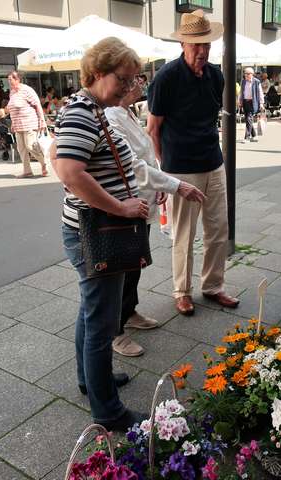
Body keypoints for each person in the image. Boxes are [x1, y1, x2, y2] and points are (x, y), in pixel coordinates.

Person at [52, 37, 150, 431]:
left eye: (132, 81)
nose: (129, 89)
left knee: (91, 312)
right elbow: (70, 174)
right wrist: (122, 206)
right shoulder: (81, 112)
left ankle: (90, 380)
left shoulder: (94, 109)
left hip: (95, 230)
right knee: (101, 323)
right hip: (97, 232)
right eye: (123, 80)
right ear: (97, 73)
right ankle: (108, 411)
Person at [147, 9, 240, 316]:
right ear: (183, 44)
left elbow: (213, 116)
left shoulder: (217, 75)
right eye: (195, 45)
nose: (202, 51)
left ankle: (213, 285)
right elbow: (153, 128)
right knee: (184, 233)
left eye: (206, 45)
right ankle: (182, 291)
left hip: (213, 162)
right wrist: (164, 169)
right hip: (180, 167)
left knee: (218, 229)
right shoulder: (166, 77)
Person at [105, 82, 204, 356]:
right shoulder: (111, 116)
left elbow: (147, 152)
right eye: (132, 78)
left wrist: (158, 186)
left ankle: (129, 312)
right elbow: (132, 164)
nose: (139, 84)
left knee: (135, 263)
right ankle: (115, 330)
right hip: (126, 202)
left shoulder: (127, 112)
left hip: (142, 198)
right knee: (122, 268)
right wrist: (172, 184)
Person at [7, 71, 47, 178]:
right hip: (17, 125)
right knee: (21, 149)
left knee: (30, 146)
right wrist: (12, 123)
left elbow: (37, 105)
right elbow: (12, 108)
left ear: (17, 79)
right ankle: (27, 171)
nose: (9, 82)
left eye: (10, 79)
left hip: (29, 123)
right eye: (8, 80)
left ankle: (43, 163)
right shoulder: (12, 92)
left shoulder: (27, 90)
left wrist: (42, 121)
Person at [239, 67, 264, 142]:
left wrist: (261, 103)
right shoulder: (243, 81)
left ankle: (247, 137)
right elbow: (241, 92)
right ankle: (254, 135)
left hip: (253, 102)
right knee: (248, 119)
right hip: (245, 102)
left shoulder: (256, 82)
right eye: (245, 73)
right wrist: (239, 101)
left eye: (248, 74)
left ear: (252, 74)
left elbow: (260, 93)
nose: (246, 75)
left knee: (249, 118)